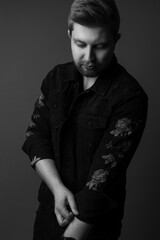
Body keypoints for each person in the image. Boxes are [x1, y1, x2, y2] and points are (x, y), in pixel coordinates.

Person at [22, 0, 148, 239]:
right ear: (69, 34)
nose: (89, 56)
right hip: (49, 211)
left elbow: (102, 181)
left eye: (100, 46)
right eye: (80, 44)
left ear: (116, 40)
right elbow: (35, 136)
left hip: (93, 226)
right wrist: (57, 189)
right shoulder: (56, 79)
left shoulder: (130, 97)